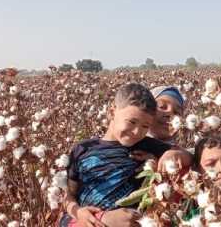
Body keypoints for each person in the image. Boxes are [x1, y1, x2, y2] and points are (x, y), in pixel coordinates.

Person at [61, 83, 190, 227]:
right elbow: (69, 194)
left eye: (145, 126)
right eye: (132, 122)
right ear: (112, 112)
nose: (137, 132)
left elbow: (189, 156)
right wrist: (79, 212)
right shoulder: (82, 149)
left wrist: (171, 154)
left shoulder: (146, 144)